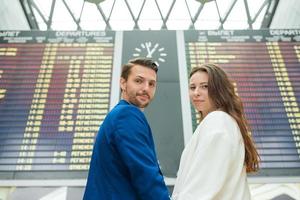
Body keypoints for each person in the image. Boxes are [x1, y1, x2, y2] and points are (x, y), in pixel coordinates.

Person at [83, 58, 170, 200]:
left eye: (151, 84)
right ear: (123, 83)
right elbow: (145, 173)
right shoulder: (127, 115)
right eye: (138, 81)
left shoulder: (118, 114)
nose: (146, 88)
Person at [172, 63, 260, 200]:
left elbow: (201, 190)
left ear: (220, 89)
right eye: (192, 87)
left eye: (205, 86)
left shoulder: (218, 122)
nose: (196, 93)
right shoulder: (222, 122)